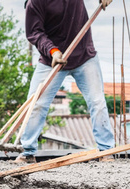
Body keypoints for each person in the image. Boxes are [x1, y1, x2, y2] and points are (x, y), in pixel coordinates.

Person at [14, 0, 115, 164]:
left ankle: (106, 150)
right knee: (35, 103)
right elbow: (35, 33)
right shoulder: (35, 3)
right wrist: (52, 51)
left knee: (97, 101)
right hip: (52, 60)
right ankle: (28, 151)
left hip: (84, 57)